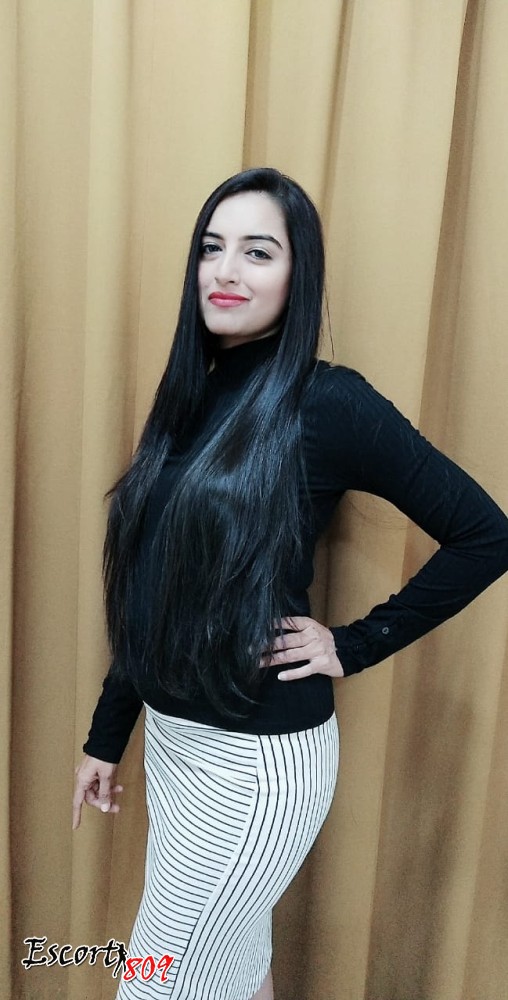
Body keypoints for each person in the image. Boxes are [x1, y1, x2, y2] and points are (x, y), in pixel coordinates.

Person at [72, 167, 508, 1000]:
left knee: (155, 981)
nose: (226, 270)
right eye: (212, 248)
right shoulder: (191, 395)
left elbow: (485, 534)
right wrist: (106, 735)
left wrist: (355, 644)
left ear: (297, 275)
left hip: (254, 767)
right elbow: (157, 589)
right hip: (174, 748)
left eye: (258, 252)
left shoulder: (328, 401)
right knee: (236, 969)